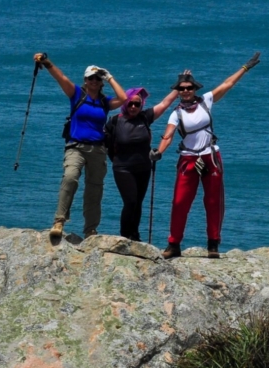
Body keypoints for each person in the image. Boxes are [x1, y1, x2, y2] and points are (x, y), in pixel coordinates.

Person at [156, 53, 260, 259]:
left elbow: (227, 83)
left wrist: (245, 68)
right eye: (182, 89)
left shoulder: (206, 101)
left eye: (189, 88)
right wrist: (158, 152)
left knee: (213, 202)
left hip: (210, 158)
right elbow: (168, 135)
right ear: (177, 92)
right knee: (180, 202)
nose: (186, 91)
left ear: (195, 89)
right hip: (188, 160)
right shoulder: (176, 113)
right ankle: (174, 244)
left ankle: (213, 244)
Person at [32, 53, 128, 242]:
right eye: (90, 78)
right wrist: (47, 62)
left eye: (97, 78)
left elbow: (123, 98)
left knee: (94, 190)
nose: (94, 81)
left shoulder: (104, 102)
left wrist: (109, 77)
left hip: (97, 150)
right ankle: (59, 220)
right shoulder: (76, 94)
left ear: (100, 82)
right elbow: (62, 78)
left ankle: (90, 230)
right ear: (85, 80)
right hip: (76, 146)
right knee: (70, 177)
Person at [103, 85, 179, 241]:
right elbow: (106, 145)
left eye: (137, 104)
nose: (133, 107)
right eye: (130, 103)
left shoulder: (145, 117)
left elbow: (165, 104)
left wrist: (179, 88)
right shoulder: (115, 121)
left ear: (141, 105)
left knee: (138, 203)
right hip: (122, 168)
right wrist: (115, 160)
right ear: (125, 104)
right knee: (130, 201)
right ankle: (124, 237)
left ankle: (134, 235)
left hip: (144, 168)